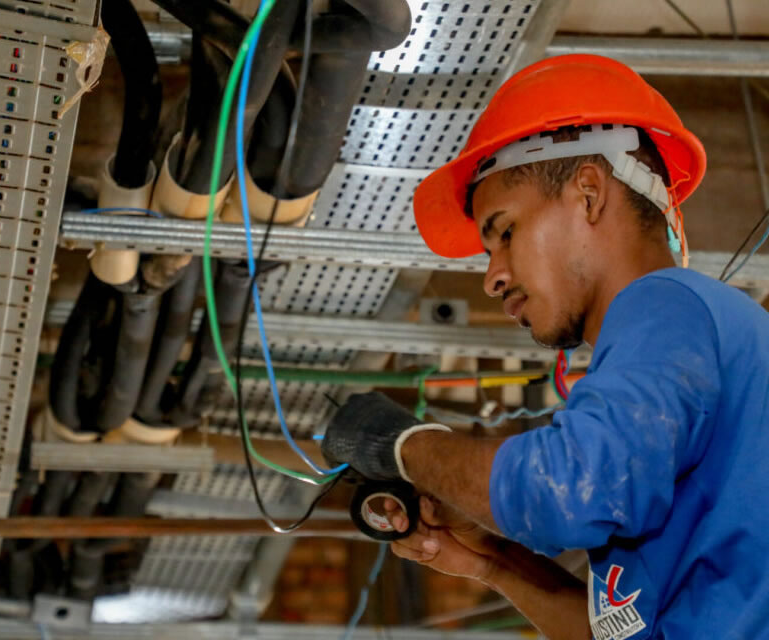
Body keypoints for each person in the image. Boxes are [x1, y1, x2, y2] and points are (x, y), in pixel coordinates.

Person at [321, 54, 769, 640]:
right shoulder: (672, 351)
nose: (492, 277)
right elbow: (624, 631)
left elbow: (570, 490)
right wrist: (491, 560)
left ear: (588, 193)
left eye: (504, 231)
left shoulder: (668, 306)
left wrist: (405, 446)